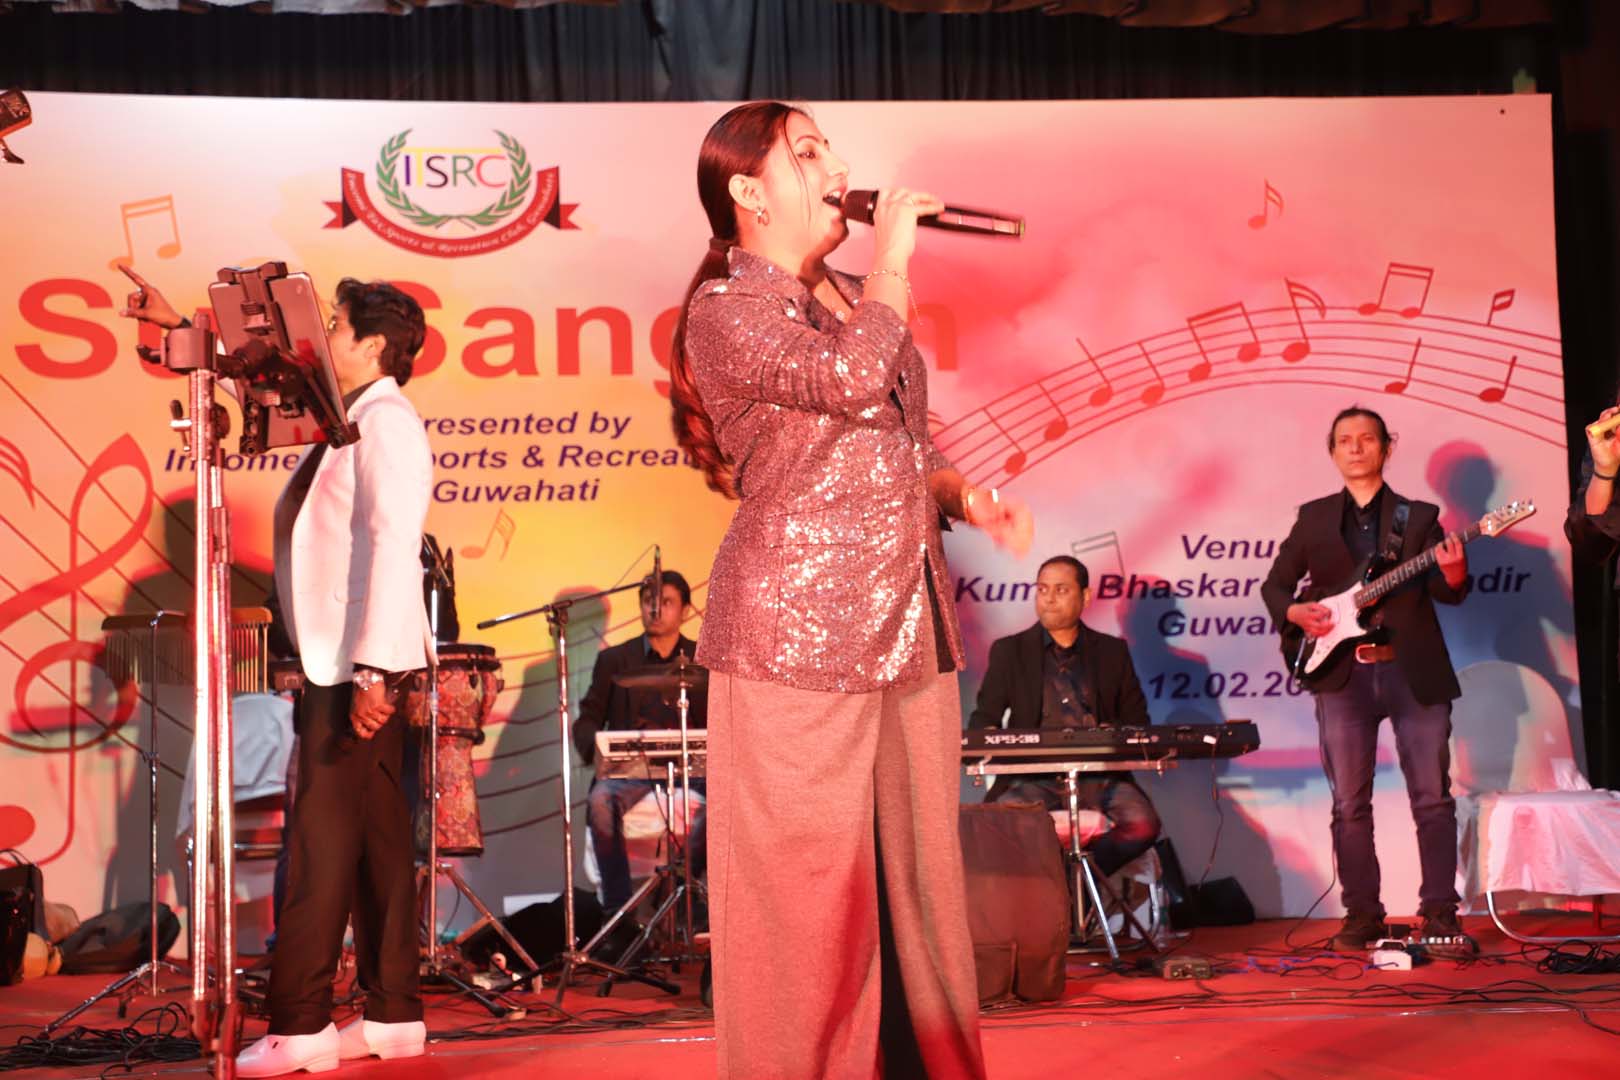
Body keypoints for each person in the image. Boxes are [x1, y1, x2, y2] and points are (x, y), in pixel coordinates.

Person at [668, 101, 1033, 1080]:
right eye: (807, 152)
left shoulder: (843, 298)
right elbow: (849, 379)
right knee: (807, 895)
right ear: (748, 193)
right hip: (795, 630)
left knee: (919, 888)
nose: (835, 167)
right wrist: (896, 259)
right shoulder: (724, 309)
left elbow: (896, 438)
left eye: (830, 147)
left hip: (909, 623)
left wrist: (961, 495)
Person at [120, 267, 435, 1074]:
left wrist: (375, 671)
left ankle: (300, 1026)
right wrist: (179, 327)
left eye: (339, 327)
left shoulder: (386, 425)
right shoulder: (349, 416)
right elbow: (268, 381)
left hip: (352, 668)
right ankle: (394, 1013)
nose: (326, 338)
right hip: (346, 662)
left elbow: (392, 544)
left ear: (373, 345)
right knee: (376, 842)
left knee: (320, 846)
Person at [1261, 406, 1476, 957]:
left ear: (1386, 447)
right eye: (1344, 440)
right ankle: (1362, 914)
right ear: (1333, 451)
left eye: (1367, 439)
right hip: (1343, 676)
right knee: (1349, 804)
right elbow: (1276, 587)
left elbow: (1445, 591)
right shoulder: (1313, 518)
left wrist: (1454, 573)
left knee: (1432, 798)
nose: (1356, 448)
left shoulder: (1419, 517)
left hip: (1411, 671)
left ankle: (1439, 911)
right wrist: (1295, 612)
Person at [969, 555, 1161, 877]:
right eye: (1042, 589)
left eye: (1061, 590)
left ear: (1085, 596)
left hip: (1099, 776)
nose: (1048, 599)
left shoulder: (1112, 652)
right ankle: (1057, 884)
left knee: (1143, 825)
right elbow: (983, 717)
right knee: (992, 824)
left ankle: (1083, 879)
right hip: (1033, 776)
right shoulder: (1010, 651)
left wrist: (1111, 731)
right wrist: (986, 737)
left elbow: (1137, 721)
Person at [574, 569, 708, 933]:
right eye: (649, 601)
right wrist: (595, 749)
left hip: (693, 768)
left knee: (728, 800)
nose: (655, 610)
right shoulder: (615, 660)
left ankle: (680, 886)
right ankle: (618, 914)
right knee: (601, 801)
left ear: (684, 610)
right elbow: (588, 717)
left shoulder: (703, 659)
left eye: (666, 602)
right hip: (633, 770)